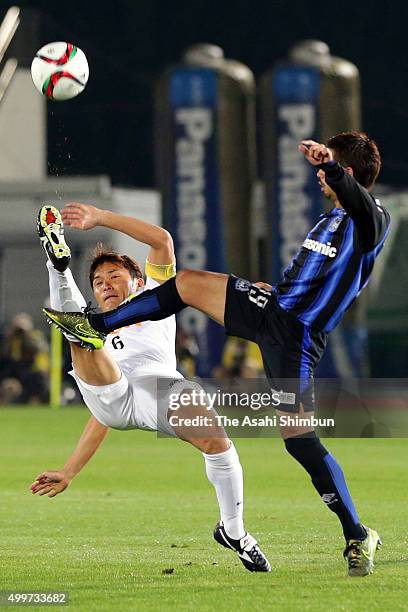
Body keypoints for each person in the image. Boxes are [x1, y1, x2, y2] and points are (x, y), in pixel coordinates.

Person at [45, 132, 390, 577]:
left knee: (300, 442)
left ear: (348, 171)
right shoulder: (329, 221)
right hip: (274, 311)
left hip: (298, 341)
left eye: (330, 168)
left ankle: (357, 534)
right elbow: (309, 277)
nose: (320, 176)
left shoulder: (370, 220)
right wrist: (269, 289)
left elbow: (357, 203)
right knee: (186, 283)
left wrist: (334, 168)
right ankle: (95, 326)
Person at [31, 204, 271, 573]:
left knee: (216, 440)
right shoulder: (101, 321)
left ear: (138, 281)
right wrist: (71, 470)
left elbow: (161, 240)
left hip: (157, 389)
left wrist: (100, 217)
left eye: (114, 276)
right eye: (98, 282)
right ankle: (58, 267)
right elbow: (101, 414)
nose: (106, 284)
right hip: (108, 389)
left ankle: (234, 531)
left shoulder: (155, 296)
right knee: (82, 334)